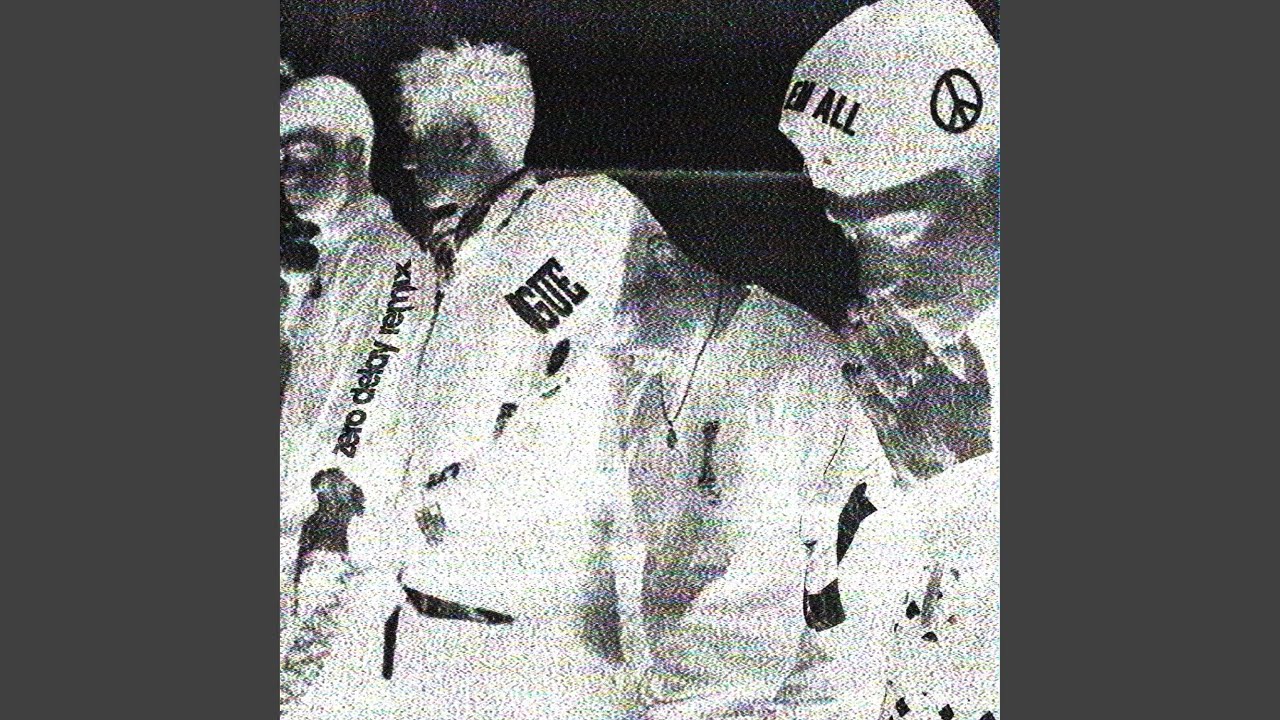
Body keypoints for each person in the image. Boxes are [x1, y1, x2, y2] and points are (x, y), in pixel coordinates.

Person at [773, 0, 1001, 717]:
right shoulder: (901, 384)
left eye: (900, 230)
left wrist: (965, 485)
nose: (875, 278)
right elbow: (849, 655)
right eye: (852, 234)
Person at [277, 75, 438, 717]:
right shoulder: (331, 259)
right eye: (277, 157)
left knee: (309, 697)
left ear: (353, 153)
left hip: (336, 532)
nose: (285, 172)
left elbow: (377, 375)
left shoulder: (390, 258)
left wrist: (335, 505)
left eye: (301, 152)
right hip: (298, 522)